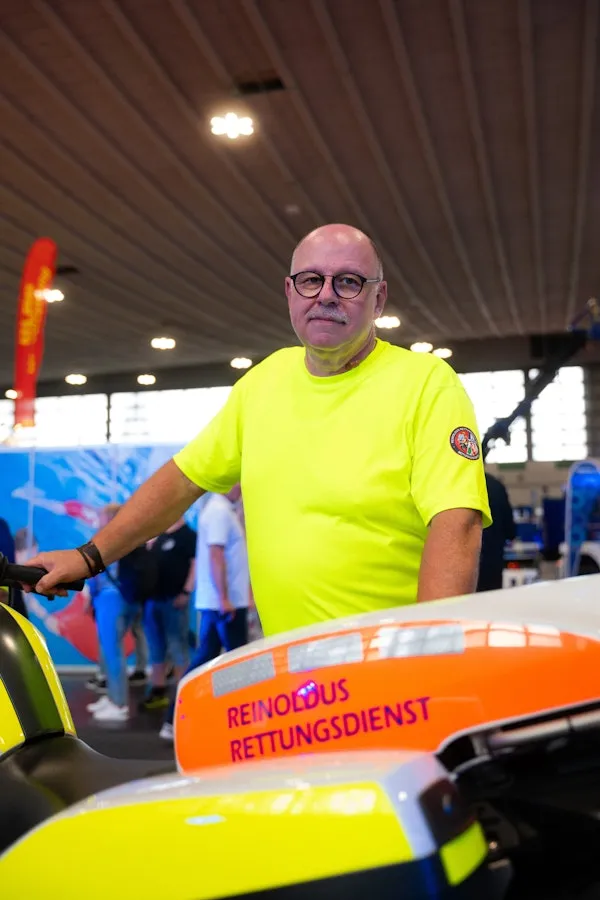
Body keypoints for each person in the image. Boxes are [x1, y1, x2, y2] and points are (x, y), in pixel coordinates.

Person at [27, 224, 491, 639]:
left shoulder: (427, 383)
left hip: (393, 670)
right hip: (293, 672)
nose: (326, 294)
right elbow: (183, 479)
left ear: (379, 299)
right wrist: (89, 557)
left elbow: (458, 523)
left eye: (348, 281)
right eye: (311, 280)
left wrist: (433, 652)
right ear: (290, 292)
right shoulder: (262, 384)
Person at [159, 486, 249, 741]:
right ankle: (235, 723)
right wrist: (224, 598)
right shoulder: (219, 511)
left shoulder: (222, 511)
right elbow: (215, 555)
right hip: (222, 604)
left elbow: (228, 558)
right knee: (233, 663)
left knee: (208, 659)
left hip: (223, 602)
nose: (242, 487)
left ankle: (174, 720)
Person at [140, 518, 196, 711]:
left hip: (174, 600)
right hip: (154, 599)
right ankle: (158, 690)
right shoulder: (160, 535)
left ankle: (185, 695)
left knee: (177, 647)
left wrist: (187, 591)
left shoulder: (189, 536)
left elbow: (194, 565)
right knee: (156, 648)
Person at [477, 472, 516, 592]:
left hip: (467, 562)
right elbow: (510, 529)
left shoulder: (458, 486)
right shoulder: (497, 487)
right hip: (493, 560)